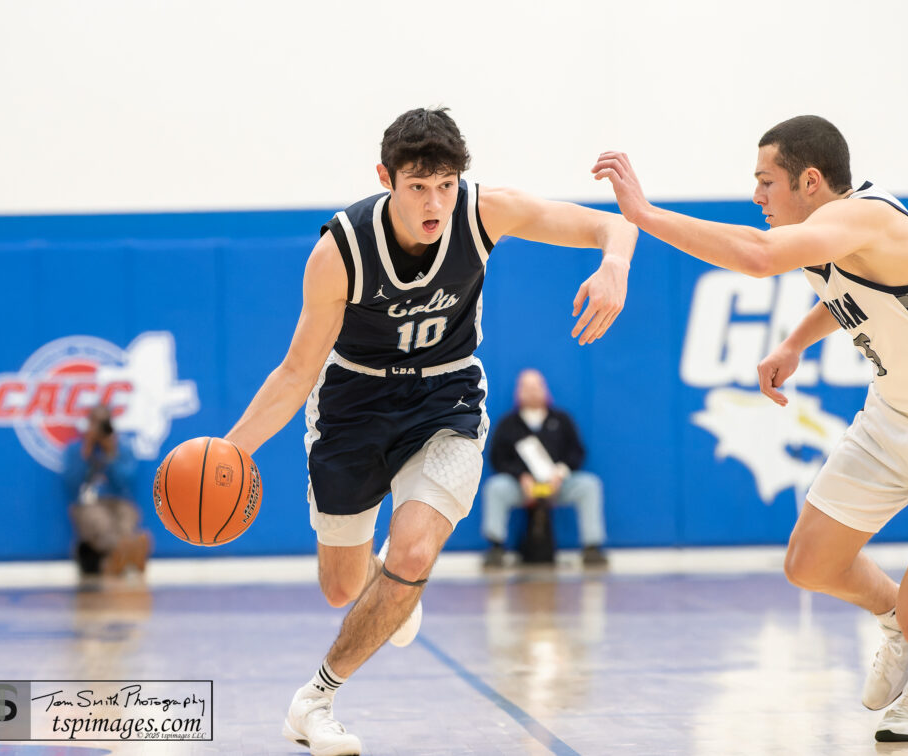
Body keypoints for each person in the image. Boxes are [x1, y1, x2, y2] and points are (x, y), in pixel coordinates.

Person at [224, 107, 636, 754]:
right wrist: (230, 451)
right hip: (351, 403)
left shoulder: (483, 212)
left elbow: (609, 224)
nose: (435, 201)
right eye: (418, 186)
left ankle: (315, 700)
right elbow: (297, 370)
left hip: (444, 396)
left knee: (414, 554)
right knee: (341, 587)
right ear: (386, 178)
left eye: (446, 184)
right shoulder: (341, 251)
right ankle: (391, 583)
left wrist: (615, 265)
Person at [593, 115, 908, 743]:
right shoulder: (827, 232)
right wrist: (795, 342)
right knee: (809, 565)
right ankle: (897, 621)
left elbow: (755, 257)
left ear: (809, 180)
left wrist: (643, 213)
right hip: (895, 415)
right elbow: (849, 295)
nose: (756, 196)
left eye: (764, 181)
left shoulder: (870, 218)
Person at [482, 368, 608, 567]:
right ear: (518, 392)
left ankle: (592, 548)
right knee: (496, 487)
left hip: (556, 486)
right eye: (526, 387)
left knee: (589, 485)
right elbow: (497, 458)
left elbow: (577, 452)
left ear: (545, 389)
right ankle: (495, 548)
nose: (532, 392)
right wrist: (521, 476)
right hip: (523, 488)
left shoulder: (562, 419)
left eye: (536, 386)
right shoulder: (508, 424)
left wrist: (561, 472)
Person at [63, 403, 151, 577]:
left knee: (127, 519)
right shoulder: (76, 449)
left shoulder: (122, 448)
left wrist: (111, 453)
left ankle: (118, 557)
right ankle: (128, 552)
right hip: (90, 502)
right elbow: (72, 483)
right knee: (100, 523)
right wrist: (86, 452)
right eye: (95, 423)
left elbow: (126, 482)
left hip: (119, 501)